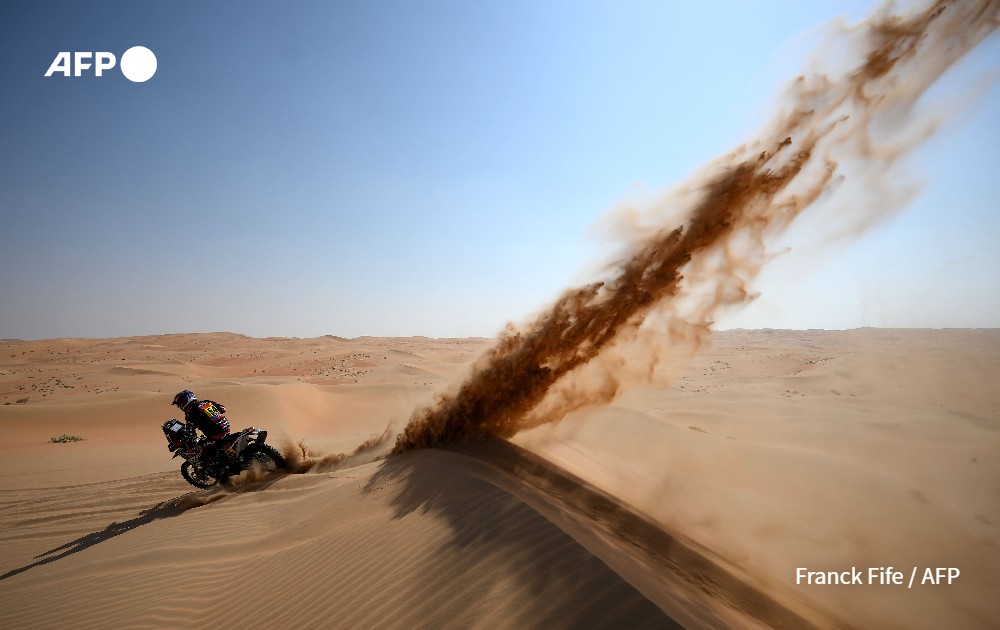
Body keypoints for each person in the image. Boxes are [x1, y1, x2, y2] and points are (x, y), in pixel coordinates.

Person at [171, 390, 231, 468]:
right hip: (226, 429)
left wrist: (181, 442)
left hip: (216, 435)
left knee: (202, 453)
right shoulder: (206, 403)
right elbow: (223, 409)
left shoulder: (191, 413)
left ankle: (221, 467)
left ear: (185, 401)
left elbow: (189, 433)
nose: (180, 406)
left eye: (180, 403)